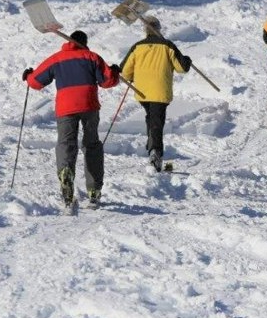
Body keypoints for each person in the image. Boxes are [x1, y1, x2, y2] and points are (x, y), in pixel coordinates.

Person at [22, 30, 119, 210]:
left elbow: (36, 82)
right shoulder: (92, 57)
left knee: (66, 143)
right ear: (84, 42)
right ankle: (94, 190)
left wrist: (28, 75)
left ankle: (66, 172)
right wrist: (114, 71)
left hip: (65, 108)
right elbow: (107, 81)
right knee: (91, 145)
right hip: (89, 106)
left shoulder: (57, 58)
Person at [119, 15, 191, 173]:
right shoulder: (167, 45)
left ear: (145, 31)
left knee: (152, 120)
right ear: (158, 28)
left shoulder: (138, 46)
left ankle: (152, 148)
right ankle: (155, 153)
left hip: (143, 92)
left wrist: (132, 76)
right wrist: (187, 60)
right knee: (156, 122)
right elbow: (181, 68)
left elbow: (124, 71)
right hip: (160, 92)